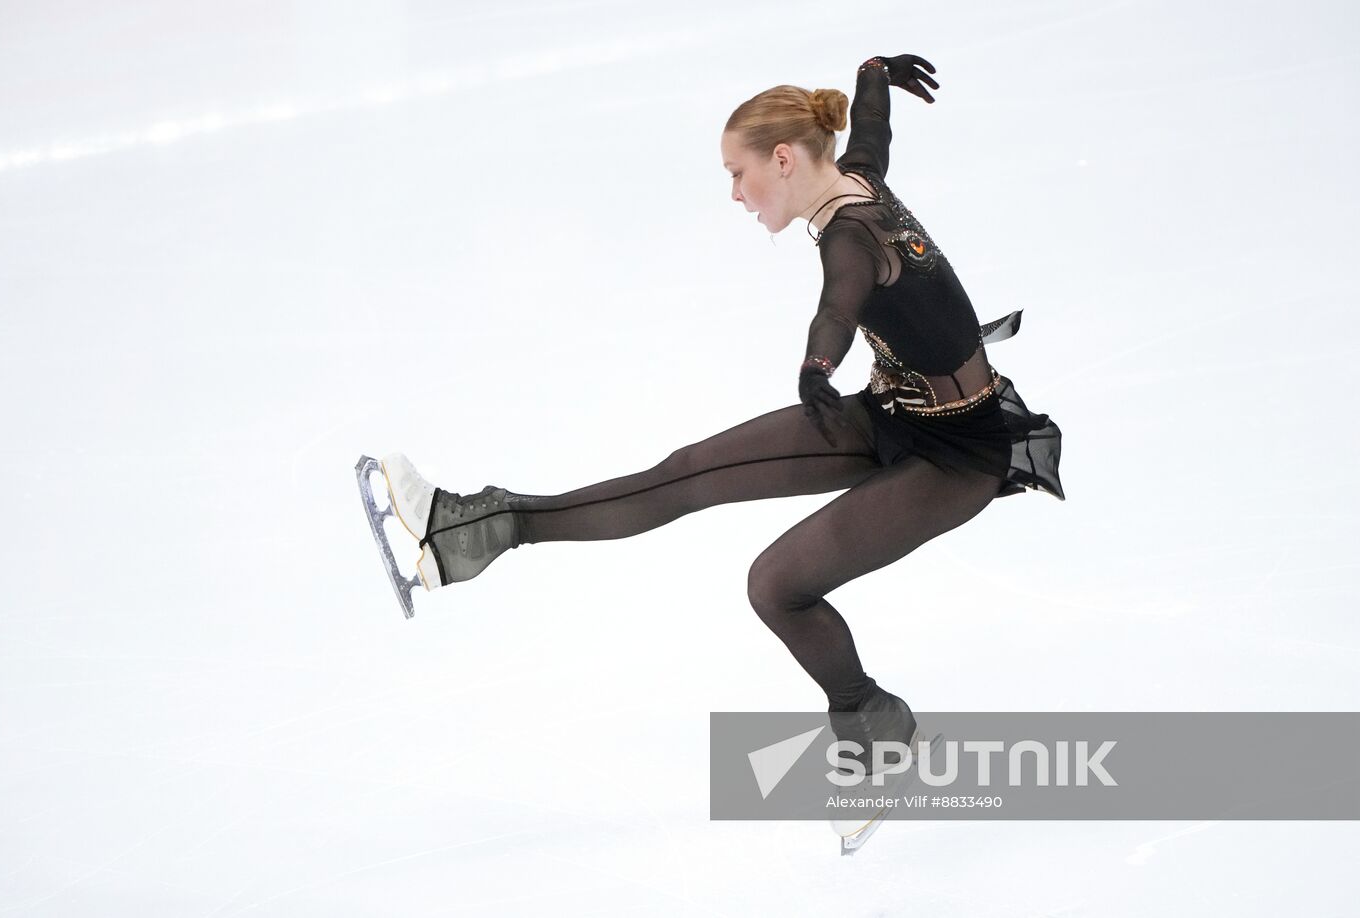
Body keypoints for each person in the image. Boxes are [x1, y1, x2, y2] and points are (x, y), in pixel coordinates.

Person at [366, 53, 1063, 771]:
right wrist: (875, 73)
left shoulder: (851, 236)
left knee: (776, 586)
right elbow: (873, 132)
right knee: (687, 472)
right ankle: (465, 530)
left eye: (738, 172)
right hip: (899, 413)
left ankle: (874, 726)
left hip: (956, 457)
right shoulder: (856, 180)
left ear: (784, 160)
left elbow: (839, 307)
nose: (734, 193)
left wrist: (816, 368)